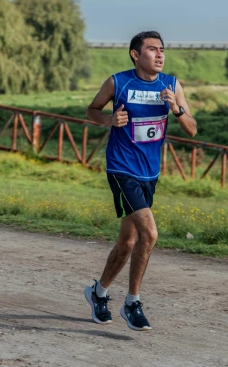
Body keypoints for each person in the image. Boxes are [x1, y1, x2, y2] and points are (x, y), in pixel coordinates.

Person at [84, 31, 197, 331]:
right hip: (122, 170)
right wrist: (108, 120)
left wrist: (178, 108)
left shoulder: (171, 85)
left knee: (128, 241)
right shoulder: (118, 82)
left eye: (162, 50)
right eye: (152, 50)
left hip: (151, 173)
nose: (159, 55)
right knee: (149, 233)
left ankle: (98, 293)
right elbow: (92, 110)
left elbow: (192, 129)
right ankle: (132, 302)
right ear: (136, 55)